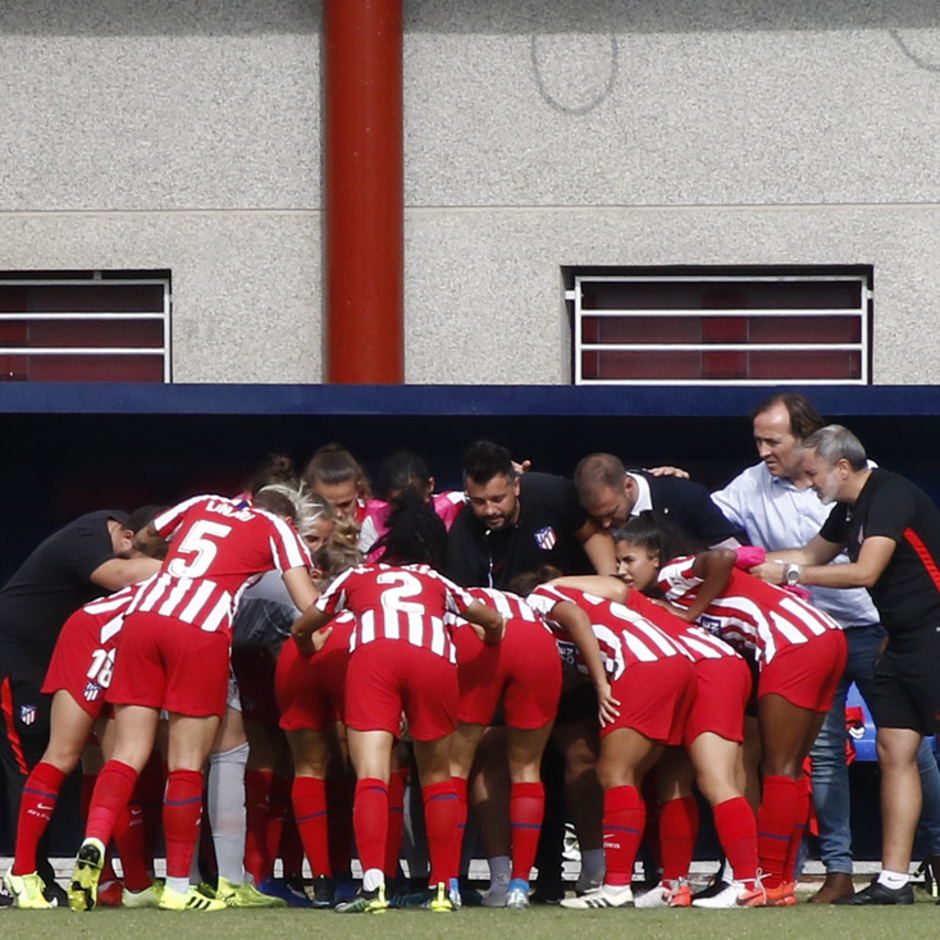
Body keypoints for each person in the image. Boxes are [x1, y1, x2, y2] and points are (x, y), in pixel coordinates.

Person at [712, 393, 940, 903]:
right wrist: (748, 564)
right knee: (894, 751)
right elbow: (810, 552)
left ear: (841, 467)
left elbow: (864, 572)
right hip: (898, 642)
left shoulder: (888, 494)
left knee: (914, 753)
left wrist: (788, 573)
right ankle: (894, 881)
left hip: (929, 636)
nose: (809, 484)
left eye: (815, 475)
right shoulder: (847, 506)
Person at [67, 485, 325, 913]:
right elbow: (308, 602)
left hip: (144, 616)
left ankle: (95, 836)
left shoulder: (203, 503)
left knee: (127, 752)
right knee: (186, 763)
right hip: (199, 628)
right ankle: (179, 885)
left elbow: (148, 536)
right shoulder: (278, 529)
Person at [617, 511, 847, 907]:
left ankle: (764, 882)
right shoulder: (666, 595)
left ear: (656, 556)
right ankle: (779, 883)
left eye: (629, 560)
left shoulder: (674, 574)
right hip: (824, 634)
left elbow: (722, 557)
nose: (621, 571)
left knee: (779, 769)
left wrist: (690, 612)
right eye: (617, 562)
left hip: (791, 642)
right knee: (788, 770)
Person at [291, 493, 506, 915]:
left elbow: (306, 624)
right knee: (438, 776)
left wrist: (305, 644)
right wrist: (492, 642)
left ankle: (373, 886)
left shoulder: (357, 577)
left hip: (374, 658)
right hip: (432, 658)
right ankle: (444, 887)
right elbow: (492, 620)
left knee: (372, 774)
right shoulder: (435, 579)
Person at [0, 507, 163, 904]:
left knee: (104, 764)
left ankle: (125, 882)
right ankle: (25, 875)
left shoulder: (126, 563)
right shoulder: (87, 537)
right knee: (41, 759)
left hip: (83, 656)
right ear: (127, 538)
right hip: (21, 655)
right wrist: (195, 565)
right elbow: (121, 575)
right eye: (149, 558)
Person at [518, 578, 694, 910]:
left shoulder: (538, 598)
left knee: (614, 773)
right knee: (632, 778)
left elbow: (577, 619)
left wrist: (601, 684)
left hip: (642, 664)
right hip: (675, 662)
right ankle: (657, 883)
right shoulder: (583, 604)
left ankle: (615, 887)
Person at [448, 585, 562, 909]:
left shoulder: (444, 594)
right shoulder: (528, 601)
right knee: (527, 769)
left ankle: (449, 881)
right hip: (535, 640)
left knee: (456, 768)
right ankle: (518, 885)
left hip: (476, 636)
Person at [446, 440, 616, 590]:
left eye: (497, 499)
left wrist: (610, 581)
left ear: (516, 486)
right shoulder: (462, 537)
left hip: (573, 593)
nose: (490, 510)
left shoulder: (552, 492)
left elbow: (592, 534)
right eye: (479, 502)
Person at [573, 453, 744, 548]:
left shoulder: (686, 498)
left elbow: (733, 554)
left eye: (611, 513)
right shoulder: (578, 511)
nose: (605, 524)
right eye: (597, 517)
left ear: (628, 485)